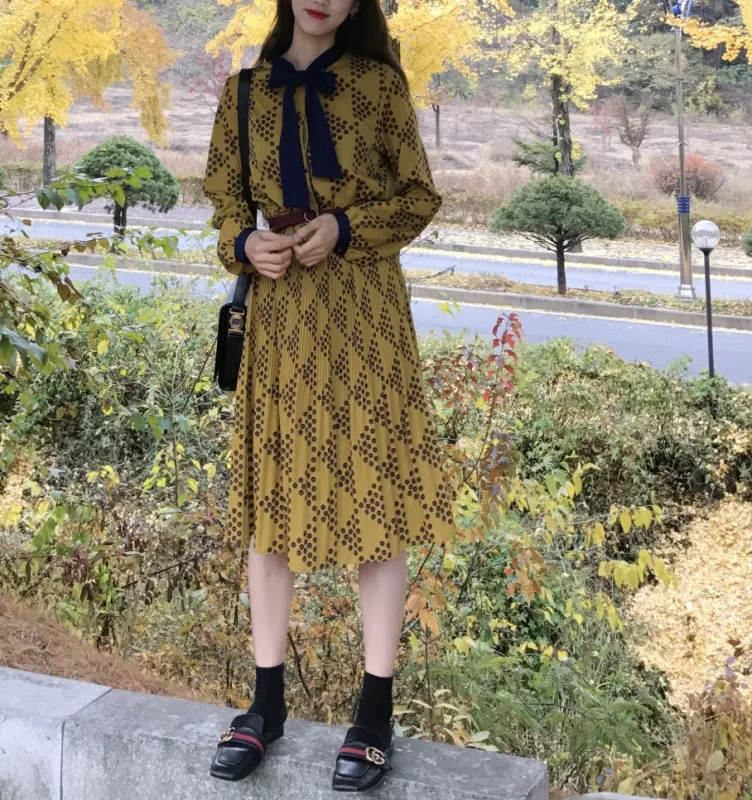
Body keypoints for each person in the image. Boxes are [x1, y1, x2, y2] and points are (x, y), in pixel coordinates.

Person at [202, 0, 458, 791]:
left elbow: (417, 197)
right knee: (271, 506)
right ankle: (265, 704)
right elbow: (223, 208)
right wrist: (246, 242)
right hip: (281, 316)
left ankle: (374, 714)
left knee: (377, 503)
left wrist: (344, 229)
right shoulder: (244, 92)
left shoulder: (380, 86)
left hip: (364, 311)